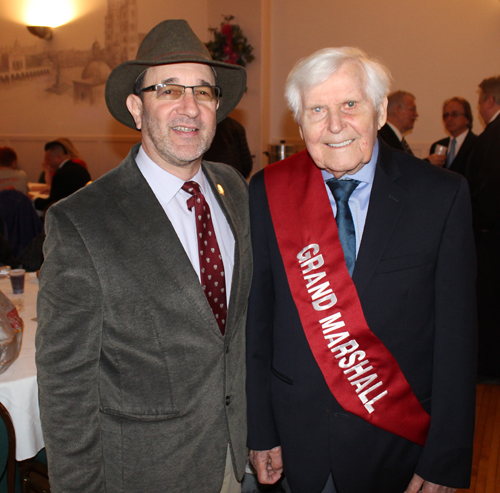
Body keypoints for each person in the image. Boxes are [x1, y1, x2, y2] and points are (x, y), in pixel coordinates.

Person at [246, 47, 476, 493]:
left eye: (350, 104)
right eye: (317, 109)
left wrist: (445, 458)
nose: (335, 125)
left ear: (380, 110)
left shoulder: (441, 196)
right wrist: (260, 429)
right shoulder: (269, 191)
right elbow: (258, 321)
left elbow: (457, 340)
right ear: (299, 123)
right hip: (296, 441)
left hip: (398, 443)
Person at [36, 19, 252, 493]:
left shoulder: (233, 189)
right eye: (168, 90)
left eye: (203, 91)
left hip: (238, 461)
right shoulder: (82, 221)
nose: (190, 107)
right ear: (136, 108)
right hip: (146, 472)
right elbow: (65, 389)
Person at [466, 75, 500, 379]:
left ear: (490, 101)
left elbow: (486, 189)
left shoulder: (493, 134)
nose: (479, 107)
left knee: (489, 304)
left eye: (480, 100)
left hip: (491, 238)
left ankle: (489, 366)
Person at [33, 140, 91, 212]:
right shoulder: (80, 168)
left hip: (69, 212)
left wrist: (34, 200)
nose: (46, 163)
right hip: (84, 209)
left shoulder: (60, 174)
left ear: (58, 157)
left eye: (48, 159)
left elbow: (52, 204)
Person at [427, 97, 477, 176]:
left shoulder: (477, 144)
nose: (449, 119)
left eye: (455, 114)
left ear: (467, 118)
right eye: (446, 115)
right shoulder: (437, 146)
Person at [378, 90, 418, 154]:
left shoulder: (393, 137)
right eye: (412, 109)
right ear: (398, 110)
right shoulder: (383, 138)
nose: (416, 114)